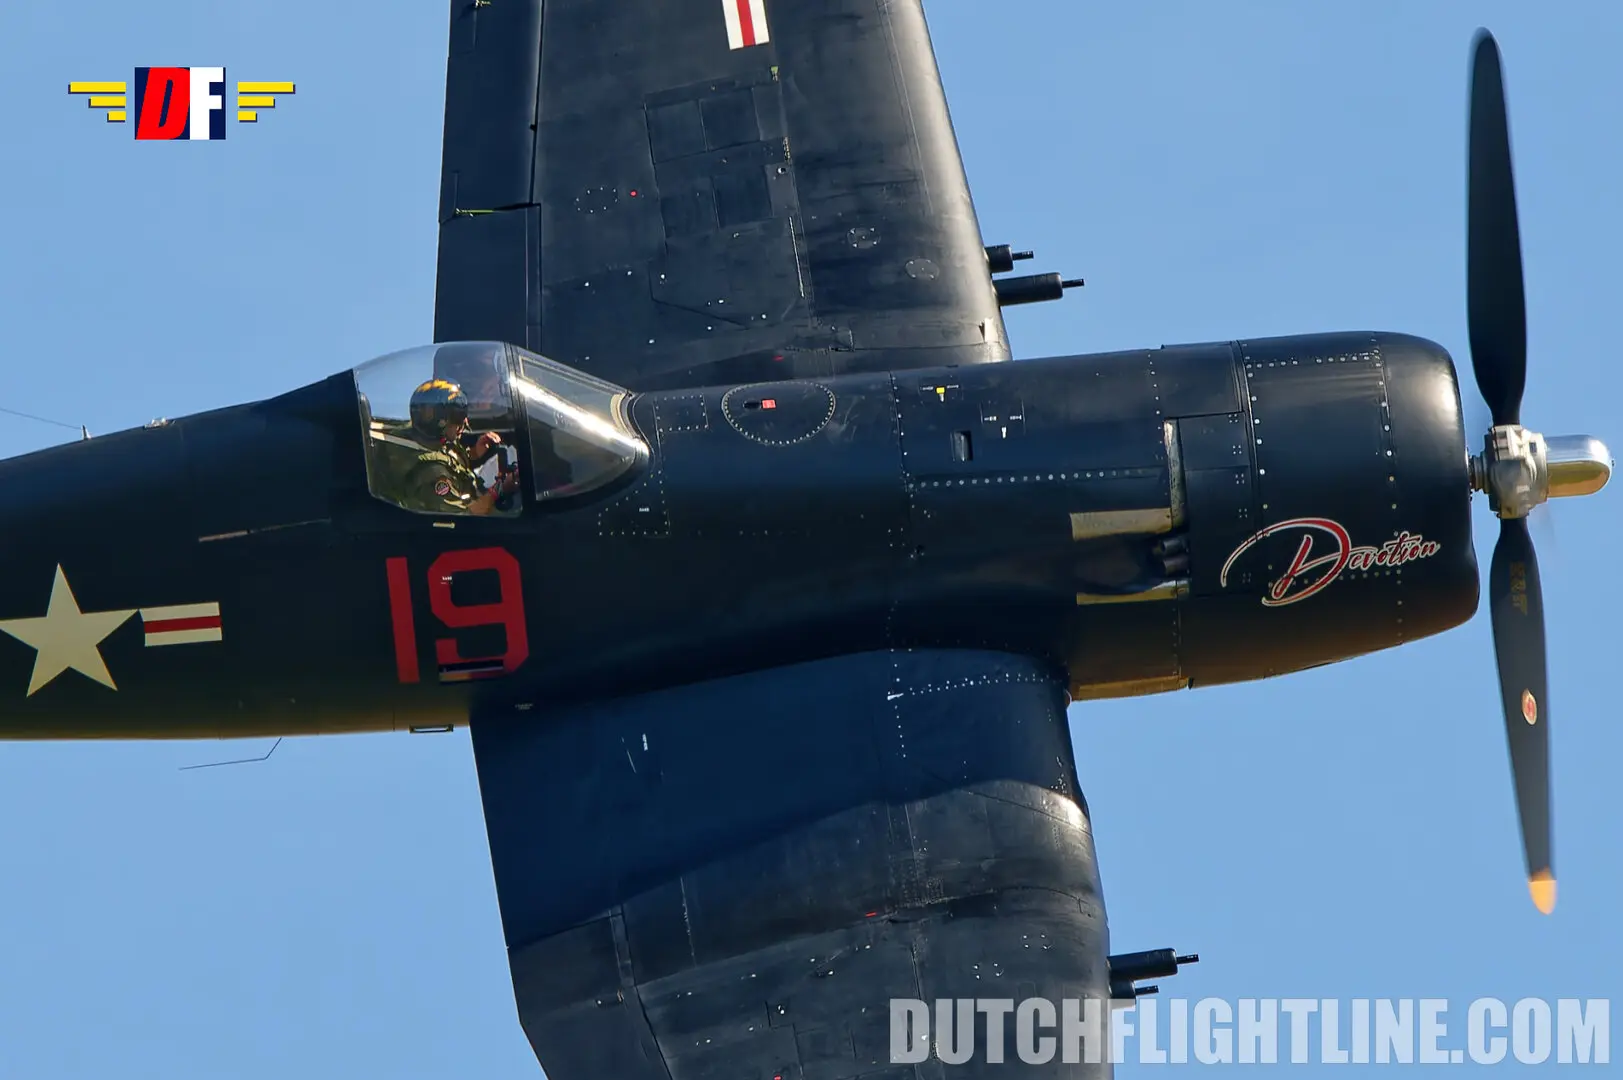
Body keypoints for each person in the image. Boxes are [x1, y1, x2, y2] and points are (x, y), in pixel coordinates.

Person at [386, 379, 519, 515]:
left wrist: (473, 454)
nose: (465, 422)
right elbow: (465, 518)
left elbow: (447, 458)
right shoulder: (433, 475)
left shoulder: (428, 438)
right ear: (438, 422)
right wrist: (500, 488)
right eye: (458, 416)